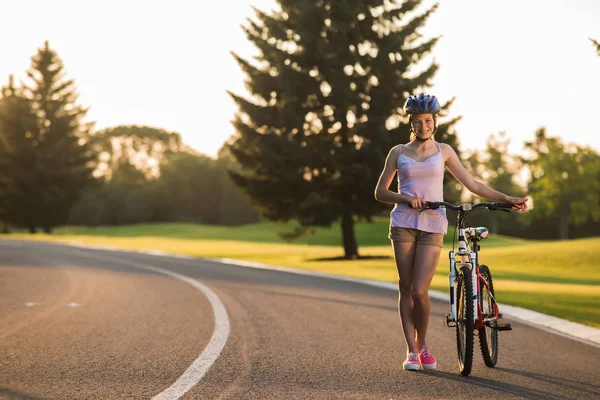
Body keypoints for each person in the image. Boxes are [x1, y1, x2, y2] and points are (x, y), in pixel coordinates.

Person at [374, 93, 528, 371]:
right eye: (418, 122)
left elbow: (473, 184)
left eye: (428, 121)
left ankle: (423, 345)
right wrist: (406, 199)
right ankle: (411, 351)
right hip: (403, 224)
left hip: (433, 224)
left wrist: (507, 199)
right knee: (405, 288)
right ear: (411, 123)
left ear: (435, 122)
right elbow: (380, 192)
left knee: (421, 291)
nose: (423, 127)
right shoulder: (397, 152)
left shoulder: (444, 151)